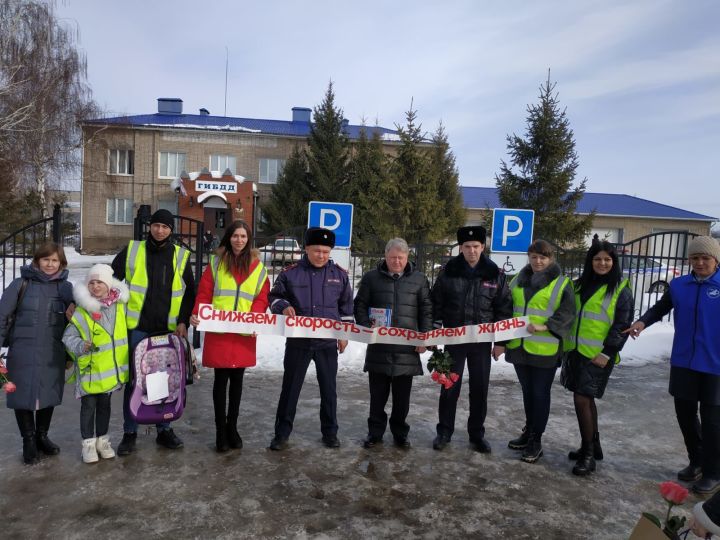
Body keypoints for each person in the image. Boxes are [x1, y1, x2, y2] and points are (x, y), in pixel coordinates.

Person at [626, 236, 720, 495]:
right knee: (686, 415)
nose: (700, 263)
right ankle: (697, 459)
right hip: (683, 361)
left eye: (705, 258)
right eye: (695, 258)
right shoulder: (679, 285)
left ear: (716, 260)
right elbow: (659, 308)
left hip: (715, 364)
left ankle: (714, 471)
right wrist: (642, 322)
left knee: (713, 421)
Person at [111, 208, 196, 454]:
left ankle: (164, 429)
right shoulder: (133, 250)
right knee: (135, 381)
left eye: (166, 227)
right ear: (150, 226)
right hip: (137, 328)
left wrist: (183, 321)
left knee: (165, 381)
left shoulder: (180, 256)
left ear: (171, 230)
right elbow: (111, 280)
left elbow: (189, 292)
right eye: (157, 225)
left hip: (167, 330)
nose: (160, 230)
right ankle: (130, 431)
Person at [267, 227, 354, 450]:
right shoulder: (290, 273)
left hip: (327, 344)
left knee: (329, 390)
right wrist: (284, 307)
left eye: (326, 251)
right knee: (290, 389)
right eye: (317, 251)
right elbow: (274, 297)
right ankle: (282, 433)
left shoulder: (340, 276)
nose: (321, 256)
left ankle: (330, 432)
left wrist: (344, 335)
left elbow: (346, 309)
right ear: (306, 249)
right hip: (299, 343)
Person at [430, 225, 513, 453]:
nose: (472, 251)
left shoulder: (494, 274)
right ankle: (444, 432)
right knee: (449, 387)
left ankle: (476, 434)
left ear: (483, 247)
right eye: (467, 247)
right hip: (453, 341)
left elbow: (504, 308)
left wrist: (502, 342)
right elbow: (436, 303)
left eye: (476, 246)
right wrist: (434, 331)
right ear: (460, 247)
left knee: (479, 389)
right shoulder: (448, 272)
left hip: (481, 343)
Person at [190, 220, 269, 452]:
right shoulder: (216, 263)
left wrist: (254, 317)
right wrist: (197, 313)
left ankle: (232, 427)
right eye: (235, 236)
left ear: (249, 239)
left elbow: (262, 296)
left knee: (238, 381)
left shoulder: (257, 267)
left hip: (243, 332)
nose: (239, 240)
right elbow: (204, 292)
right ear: (228, 238)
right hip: (220, 331)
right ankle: (220, 432)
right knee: (220, 380)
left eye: (243, 236)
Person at [560, 237, 633, 476]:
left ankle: (588, 455)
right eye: (597, 259)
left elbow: (622, 324)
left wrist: (608, 352)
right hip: (576, 352)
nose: (602, 263)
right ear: (590, 261)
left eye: (607, 259)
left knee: (582, 399)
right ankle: (593, 445)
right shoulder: (579, 285)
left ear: (615, 262)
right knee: (586, 399)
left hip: (599, 355)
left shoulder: (621, 288)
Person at [354, 238, 433, 449]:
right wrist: (364, 327)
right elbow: (360, 304)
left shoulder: (419, 279)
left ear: (408, 257)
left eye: (400, 257)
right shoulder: (371, 278)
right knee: (377, 396)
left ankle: (400, 433)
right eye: (392, 258)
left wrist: (424, 336)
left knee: (402, 399)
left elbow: (426, 309)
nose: (396, 261)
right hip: (379, 347)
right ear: (385, 257)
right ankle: (375, 433)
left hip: (406, 350)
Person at [0, 242, 74, 464]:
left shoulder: (66, 288)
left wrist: (70, 353)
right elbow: (2, 317)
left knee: (49, 393)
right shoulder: (20, 284)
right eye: (46, 259)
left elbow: (75, 323)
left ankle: (42, 436)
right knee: (22, 395)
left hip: (53, 350)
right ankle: (28, 440)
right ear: (37, 260)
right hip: (22, 349)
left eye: (55, 261)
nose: (50, 264)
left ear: (61, 263)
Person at [505, 239, 575, 463]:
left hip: (545, 349)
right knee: (528, 392)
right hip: (519, 346)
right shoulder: (518, 279)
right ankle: (528, 432)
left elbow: (567, 313)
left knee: (540, 393)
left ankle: (536, 440)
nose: (538, 261)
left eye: (543, 257)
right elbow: (508, 306)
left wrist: (546, 326)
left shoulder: (562, 283)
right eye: (534, 257)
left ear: (551, 259)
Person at [63, 264, 130, 463]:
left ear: (109, 285)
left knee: (104, 406)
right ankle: (88, 444)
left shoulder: (119, 307)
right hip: (90, 370)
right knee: (88, 407)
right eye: (91, 282)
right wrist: (80, 345)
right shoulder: (82, 310)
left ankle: (103, 441)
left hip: (110, 370)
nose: (95, 286)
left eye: (100, 282)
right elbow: (68, 336)